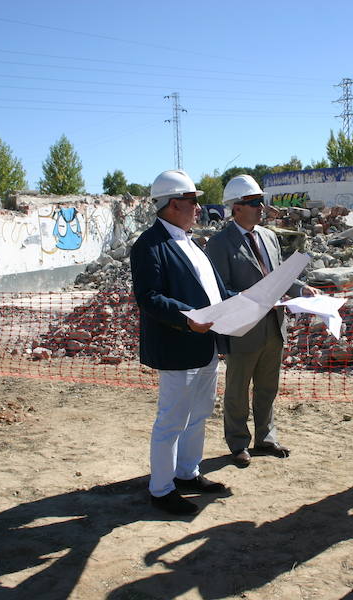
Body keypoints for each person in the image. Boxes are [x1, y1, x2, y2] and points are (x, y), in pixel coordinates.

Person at [130, 169, 233, 516]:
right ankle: (161, 489)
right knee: (172, 420)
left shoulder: (192, 244)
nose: (199, 208)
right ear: (174, 204)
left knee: (199, 414)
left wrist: (258, 299)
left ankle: (187, 473)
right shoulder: (149, 245)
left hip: (206, 346)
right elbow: (148, 297)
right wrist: (187, 317)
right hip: (178, 347)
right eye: (193, 201)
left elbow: (218, 293)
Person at [205, 175, 319, 467]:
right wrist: (249, 299)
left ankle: (266, 438)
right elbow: (219, 289)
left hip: (273, 325)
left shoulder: (268, 236)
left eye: (261, 201)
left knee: (268, 387)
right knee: (238, 389)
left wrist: (301, 289)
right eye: (254, 202)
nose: (261, 207)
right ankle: (238, 443)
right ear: (236, 208)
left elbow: (278, 277)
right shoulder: (219, 244)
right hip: (243, 328)